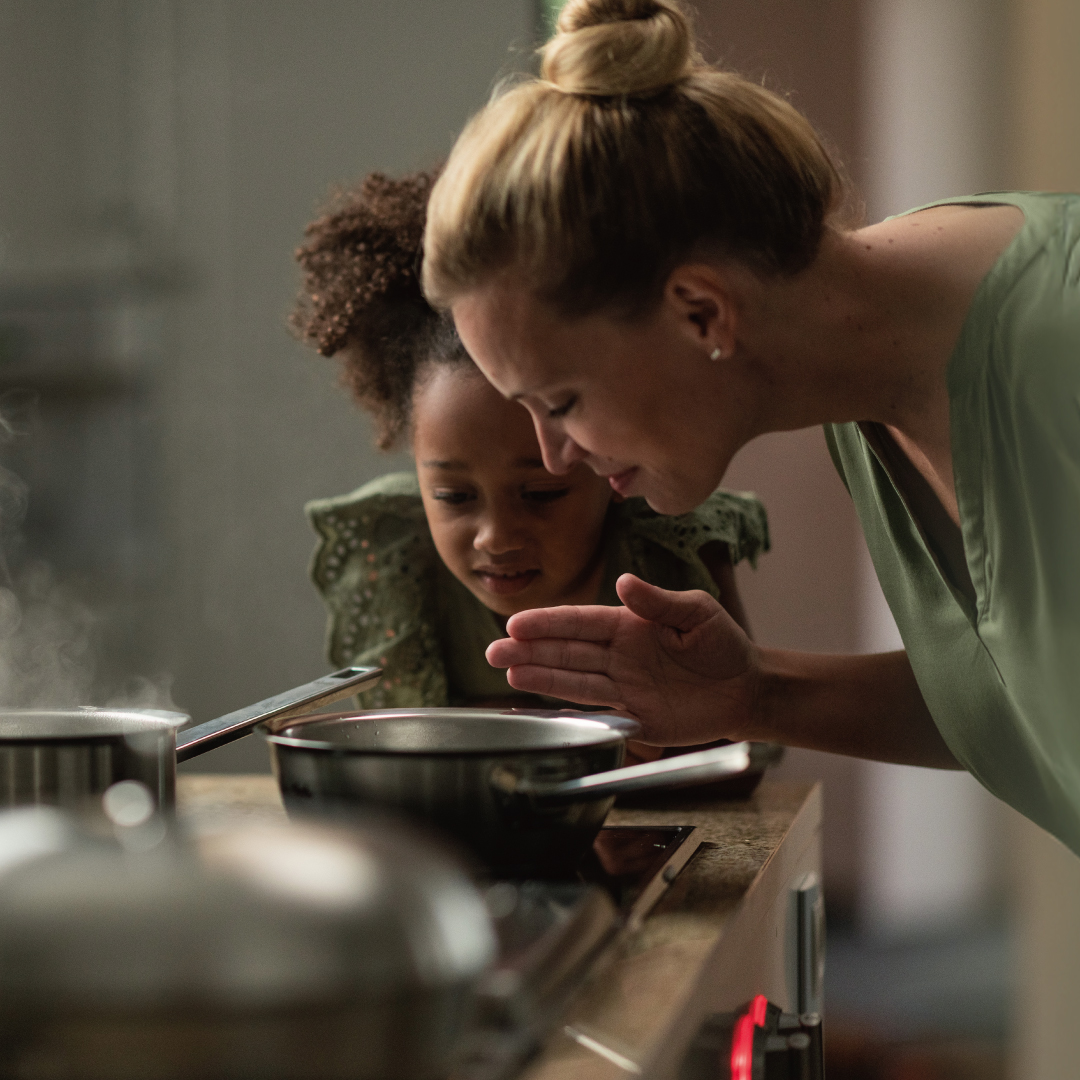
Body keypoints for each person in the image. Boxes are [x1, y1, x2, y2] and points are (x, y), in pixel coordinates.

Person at [420, 0, 1080, 854]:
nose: (556, 453)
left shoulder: (1054, 345)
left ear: (700, 312)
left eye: (562, 401)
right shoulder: (863, 388)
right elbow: (1040, 696)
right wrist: (753, 693)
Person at [289, 169, 768, 724]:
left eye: (540, 493)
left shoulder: (673, 545)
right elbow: (406, 738)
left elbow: (745, 731)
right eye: (451, 496)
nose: (496, 536)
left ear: (607, 463)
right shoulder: (398, 554)